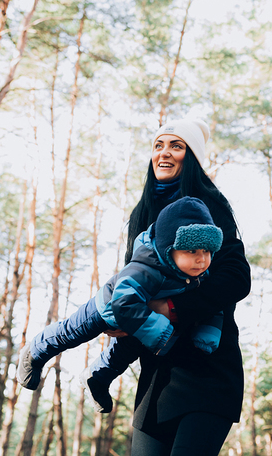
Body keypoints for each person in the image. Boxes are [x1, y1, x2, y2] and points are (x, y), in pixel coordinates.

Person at [16, 196, 225, 414]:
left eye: (207, 251)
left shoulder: (198, 276)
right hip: (106, 308)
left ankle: (97, 377)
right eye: (192, 251)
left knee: (125, 353)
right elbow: (124, 303)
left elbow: (213, 304)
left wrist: (207, 334)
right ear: (168, 248)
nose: (202, 259)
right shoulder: (144, 268)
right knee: (71, 333)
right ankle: (35, 351)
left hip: (141, 318)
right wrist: (161, 333)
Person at [121, 118, 252, 456]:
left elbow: (236, 276)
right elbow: (132, 283)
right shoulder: (142, 214)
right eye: (158, 145)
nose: (164, 153)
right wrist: (120, 321)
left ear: (191, 157)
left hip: (207, 371)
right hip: (156, 378)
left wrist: (172, 309)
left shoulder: (207, 205)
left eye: (176, 146)